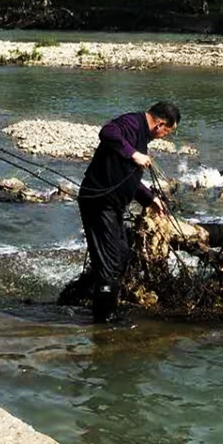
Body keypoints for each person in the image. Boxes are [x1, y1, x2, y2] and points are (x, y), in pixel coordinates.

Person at [78, 102, 180, 322]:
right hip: (99, 202)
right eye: (167, 132)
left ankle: (85, 294)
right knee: (110, 262)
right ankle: (104, 322)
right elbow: (107, 132)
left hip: (112, 206)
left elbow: (128, 178)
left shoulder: (142, 135)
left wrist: (150, 198)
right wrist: (133, 153)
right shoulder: (131, 123)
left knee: (122, 253)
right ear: (160, 124)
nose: (164, 137)